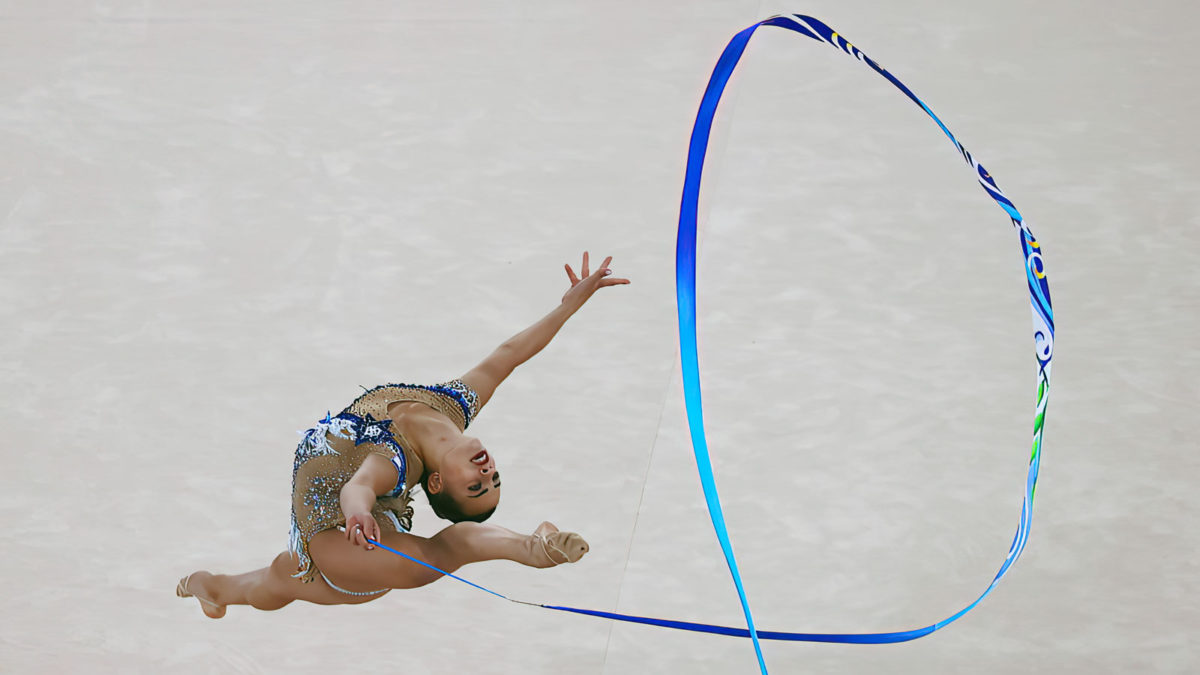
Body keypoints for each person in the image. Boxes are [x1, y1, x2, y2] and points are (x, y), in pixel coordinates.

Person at [177, 253, 630, 617]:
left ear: (435, 482)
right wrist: (570, 305)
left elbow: (359, 485)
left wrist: (356, 514)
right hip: (365, 536)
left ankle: (534, 547)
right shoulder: (453, 406)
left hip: (351, 545)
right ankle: (208, 587)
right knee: (271, 583)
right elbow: (508, 355)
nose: (488, 473)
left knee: (294, 579)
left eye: (474, 487)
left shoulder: (394, 459)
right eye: (494, 480)